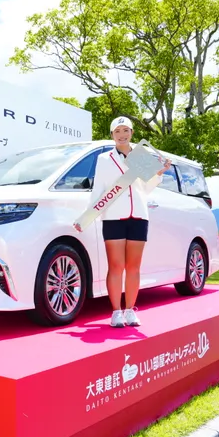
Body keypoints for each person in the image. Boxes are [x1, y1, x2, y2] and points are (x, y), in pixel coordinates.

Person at [78, 116, 171, 328]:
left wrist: (159, 173)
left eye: (125, 130)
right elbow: (99, 189)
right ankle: (116, 312)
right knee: (116, 266)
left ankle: (130, 310)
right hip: (113, 216)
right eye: (117, 131)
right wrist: (88, 216)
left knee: (134, 267)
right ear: (112, 135)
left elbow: (145, 188)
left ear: (132, 133)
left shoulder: (141, 156)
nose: (122, 135)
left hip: (138, 215)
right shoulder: (104, 159)